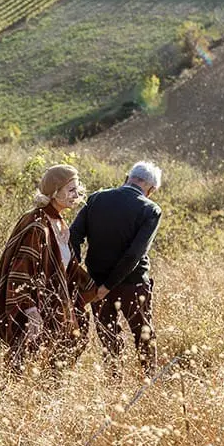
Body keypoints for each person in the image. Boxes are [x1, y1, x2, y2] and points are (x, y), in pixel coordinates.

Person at [0, 165, 96, 372]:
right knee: (22, 368)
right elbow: (21, 272)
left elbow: (65, 268)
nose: (76, 195)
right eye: (70, 190)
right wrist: (31, 311)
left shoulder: (59, 222)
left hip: (55, 307)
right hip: (36, 311)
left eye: (77, 189)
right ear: (53, 192)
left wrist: (93, 287)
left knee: (55, 366)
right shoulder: (36, 224)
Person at [70, 161, 162, 379]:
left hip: (95, 281)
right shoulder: (150, 209)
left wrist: (79, 272)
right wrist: (110, 285)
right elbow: (134, 255)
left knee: (108, 335)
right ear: (152, 189)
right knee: (143, 334)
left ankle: (114, 382)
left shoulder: (97, 198)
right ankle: (149, 381)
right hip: (133, 284)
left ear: (127, 177)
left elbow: (74, 235)